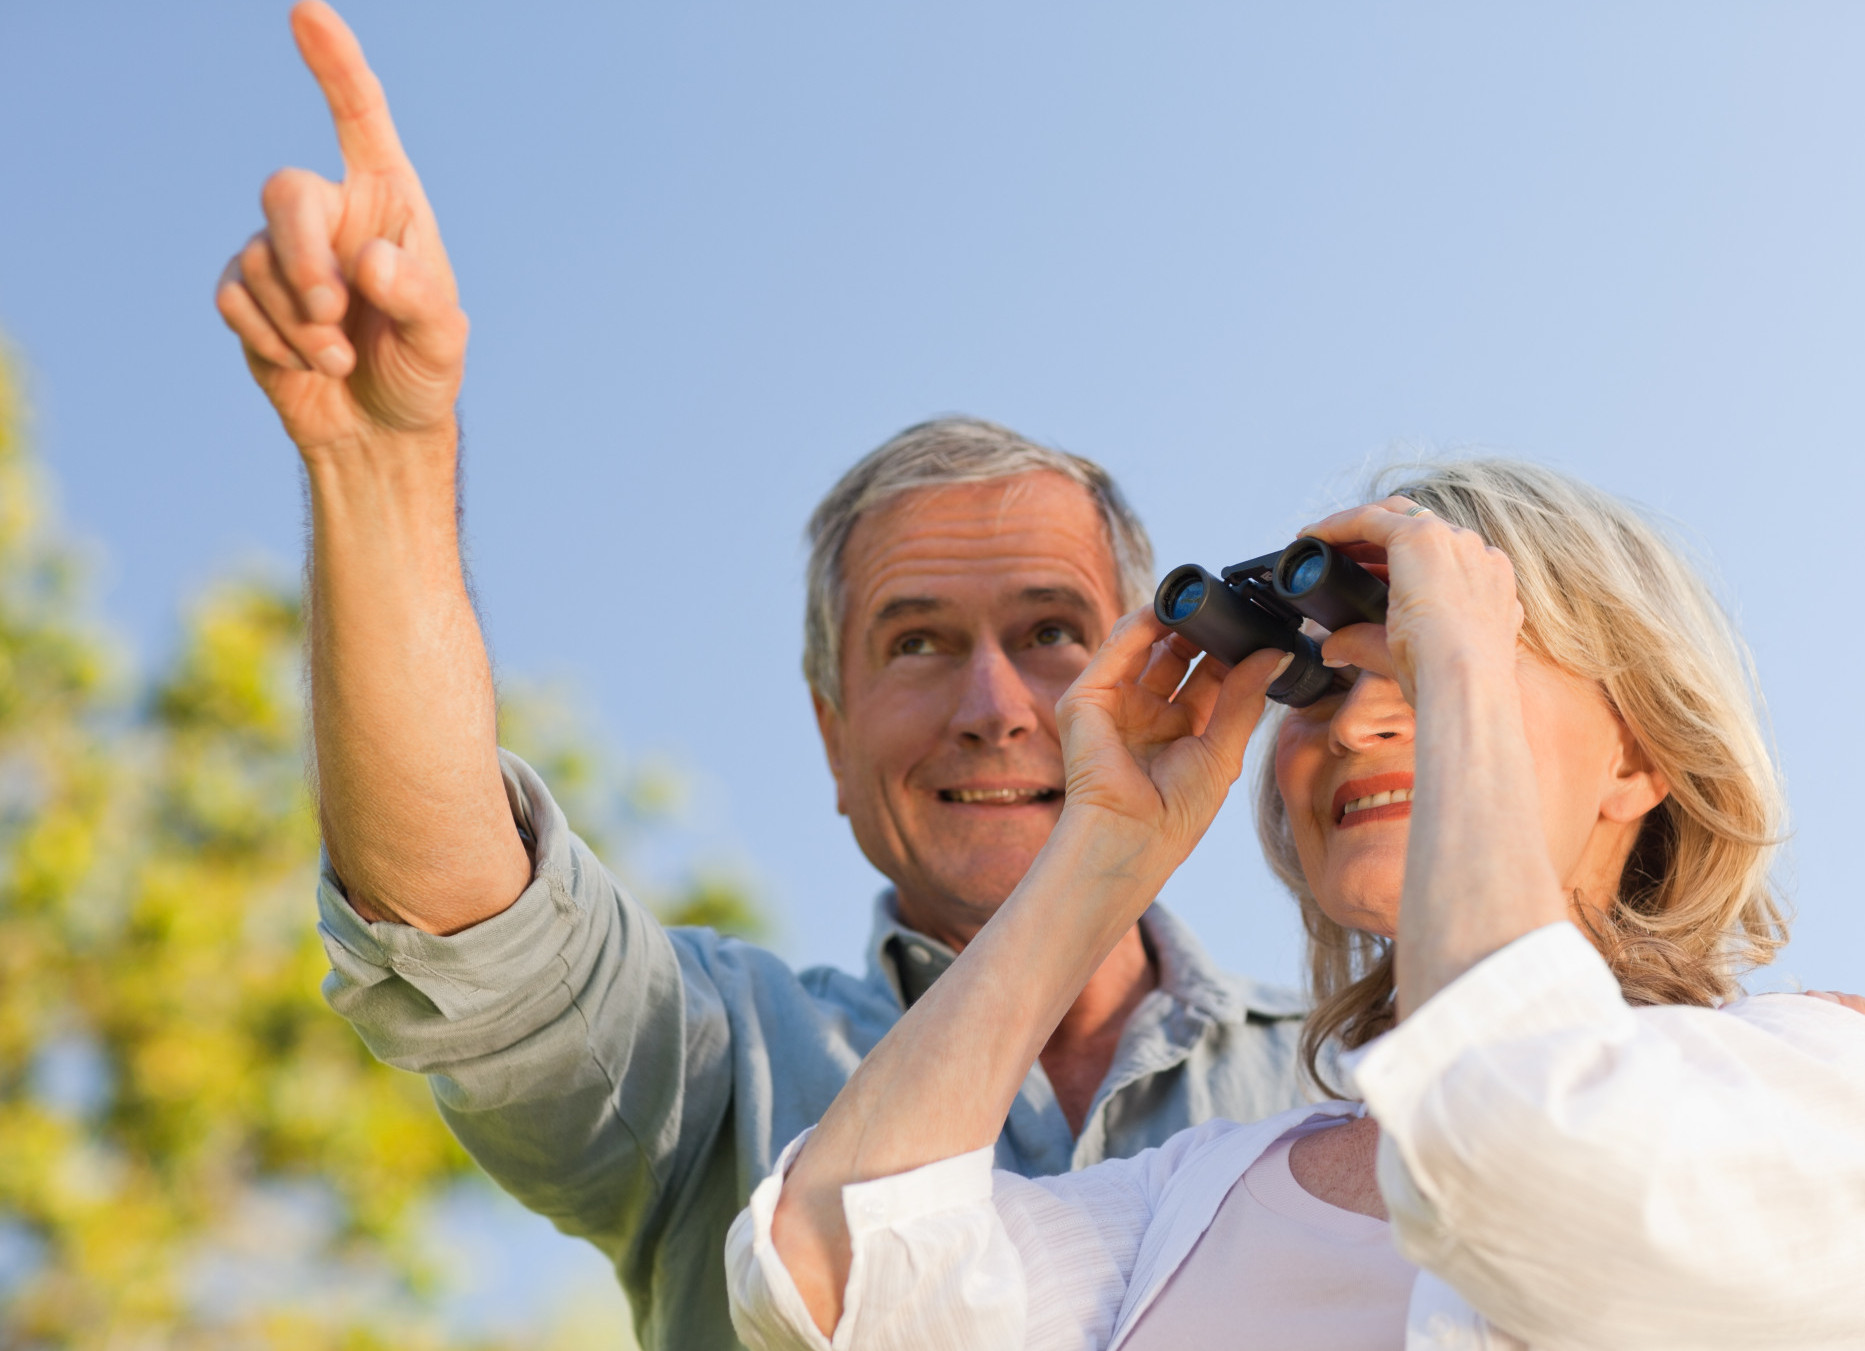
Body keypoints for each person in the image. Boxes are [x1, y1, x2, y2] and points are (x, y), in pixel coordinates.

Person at [211, 7, 1305, 1348]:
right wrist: (385, 462)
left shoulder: (1351, 1075)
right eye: (915, 641)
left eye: (1051, 632)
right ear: (831, 739)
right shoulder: (719, 1071)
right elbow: (456, 912)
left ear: (1158, 670)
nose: (994, 704)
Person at [731, 460, 1865, 1351]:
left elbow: (1525, 1152)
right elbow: (835, 1277)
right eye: (1317, 688)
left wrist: (1459, 642)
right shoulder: (1193, 1192)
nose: (1355, 719)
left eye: (1419, 670)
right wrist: (1105, 850)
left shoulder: (1819, 1083)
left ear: (1636, 762)